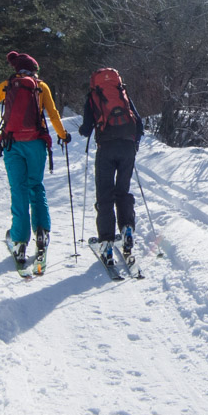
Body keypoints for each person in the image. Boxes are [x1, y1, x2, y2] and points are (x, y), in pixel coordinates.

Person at [0, 50, 69, 269]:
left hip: (12, 144)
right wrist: (63, 135)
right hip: (36, 143)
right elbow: (53, 114)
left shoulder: (7, 85)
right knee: (35, 186)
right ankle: (42, 233)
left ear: (16, 69)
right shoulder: (40, 86)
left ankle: (19, 241)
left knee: (18, 190)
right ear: (34, 70)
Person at [78, 65, 145, 267]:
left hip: (106, 149)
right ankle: (127, 229)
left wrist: (86, 129)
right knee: (122, 191)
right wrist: (134, 143)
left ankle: (106, 242)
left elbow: (86, 129)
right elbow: (139, 124)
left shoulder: (93, 97)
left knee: (105, 194)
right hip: (127, 148)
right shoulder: (122, 93)